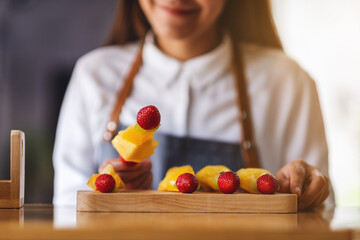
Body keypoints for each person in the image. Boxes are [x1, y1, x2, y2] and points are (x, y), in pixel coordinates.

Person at [53, 0, 333, 210]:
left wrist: (307, 189)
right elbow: (66, 212)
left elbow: (321, 215)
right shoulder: (93, 74)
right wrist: (112, 205)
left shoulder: (288, 82)